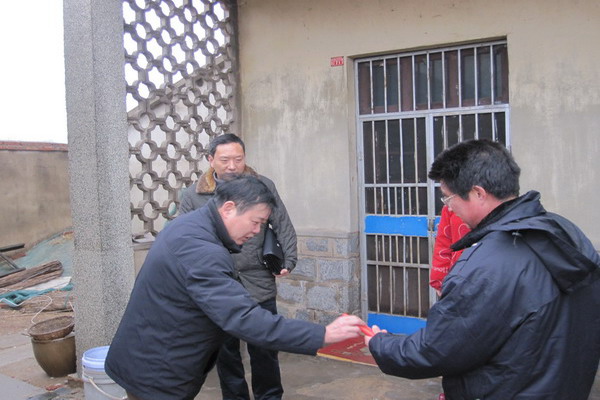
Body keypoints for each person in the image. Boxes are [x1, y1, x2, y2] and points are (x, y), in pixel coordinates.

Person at [364, 139, 600, 400]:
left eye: (448, 197)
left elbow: (438, 349)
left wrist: (380, 344)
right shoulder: (563, 231)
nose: (448, 207)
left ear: (478, 193)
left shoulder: (488, 263)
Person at [105, 175, 364, 400]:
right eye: (256, 222)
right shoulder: (202, 251)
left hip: (149, 360)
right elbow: (244, 319)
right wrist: (323, 335)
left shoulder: (189, 224)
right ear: (229, 208)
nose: (257, 231)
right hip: (157, 374)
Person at [178, 133, 296, 400]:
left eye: (238, 159)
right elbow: (184, 235)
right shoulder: (194, 195)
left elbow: (282, 222)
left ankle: (270, 396)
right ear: (210, 160)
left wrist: (289, 259)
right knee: (226, 352)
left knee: (265, 346)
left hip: (258, 278)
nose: (232, 166)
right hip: (219, 282)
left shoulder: (262, 185)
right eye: (225, 160)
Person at [430, 205, 470, 296]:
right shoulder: (451, 205)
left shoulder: (496, 203)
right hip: (458, 277)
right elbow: (443, 244)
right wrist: (439, 279)